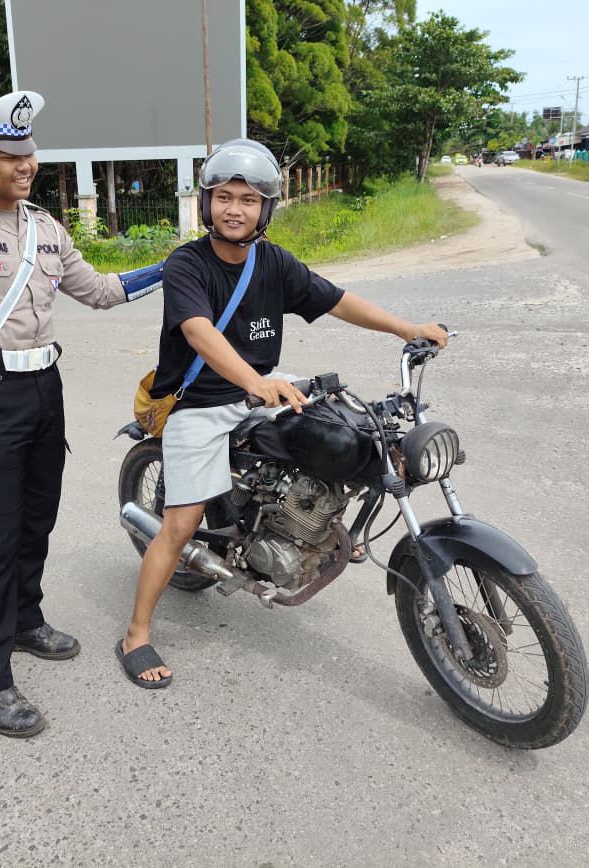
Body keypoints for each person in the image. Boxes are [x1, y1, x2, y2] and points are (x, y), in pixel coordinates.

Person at [117, 139, 449, 688]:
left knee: (354, 434)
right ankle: (136, 633)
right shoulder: (186, 264)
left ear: (266, 209)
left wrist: (406, 328)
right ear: (206, 204)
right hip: (200, 403)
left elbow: (336, 299)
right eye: (223, 196)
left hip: (262, 389)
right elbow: (198, 331)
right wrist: (252, 381)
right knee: (180, 525)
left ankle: (314, 526)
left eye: (248, 199)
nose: (234, 208)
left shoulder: (274, 262)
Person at [0, 92, 162, 738]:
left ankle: (25, 620)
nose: (26, 165)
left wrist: (174, 266)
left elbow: (101, 291)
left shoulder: (46, 228)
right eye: (9, 155)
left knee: (34, 520)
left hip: (42, 389)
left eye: (30, 153)